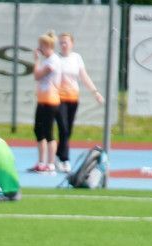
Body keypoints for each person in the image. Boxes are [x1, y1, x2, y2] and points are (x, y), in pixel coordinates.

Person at [51, 31, 103, 169]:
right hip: (58, 98)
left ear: (72, 43)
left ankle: (58, 155)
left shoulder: (76, 58)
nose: (63, 45)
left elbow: (84, 77)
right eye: (61, 42)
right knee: (63, 128)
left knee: (68, 130)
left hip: (73, 99)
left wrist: (95, 93)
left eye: (66, 42)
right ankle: (64, 159)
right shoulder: (56, 58)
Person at [30, 33, 58, 172]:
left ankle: (51, 162)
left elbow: (37, 75)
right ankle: (41, 161)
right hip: (42, 99)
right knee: (38, 130)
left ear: (47, 45)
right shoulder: (47, 60)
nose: (39, 48)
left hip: (50, 100)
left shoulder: (53, 61)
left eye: (41, 45)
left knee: (48, 132)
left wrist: (36, 60)